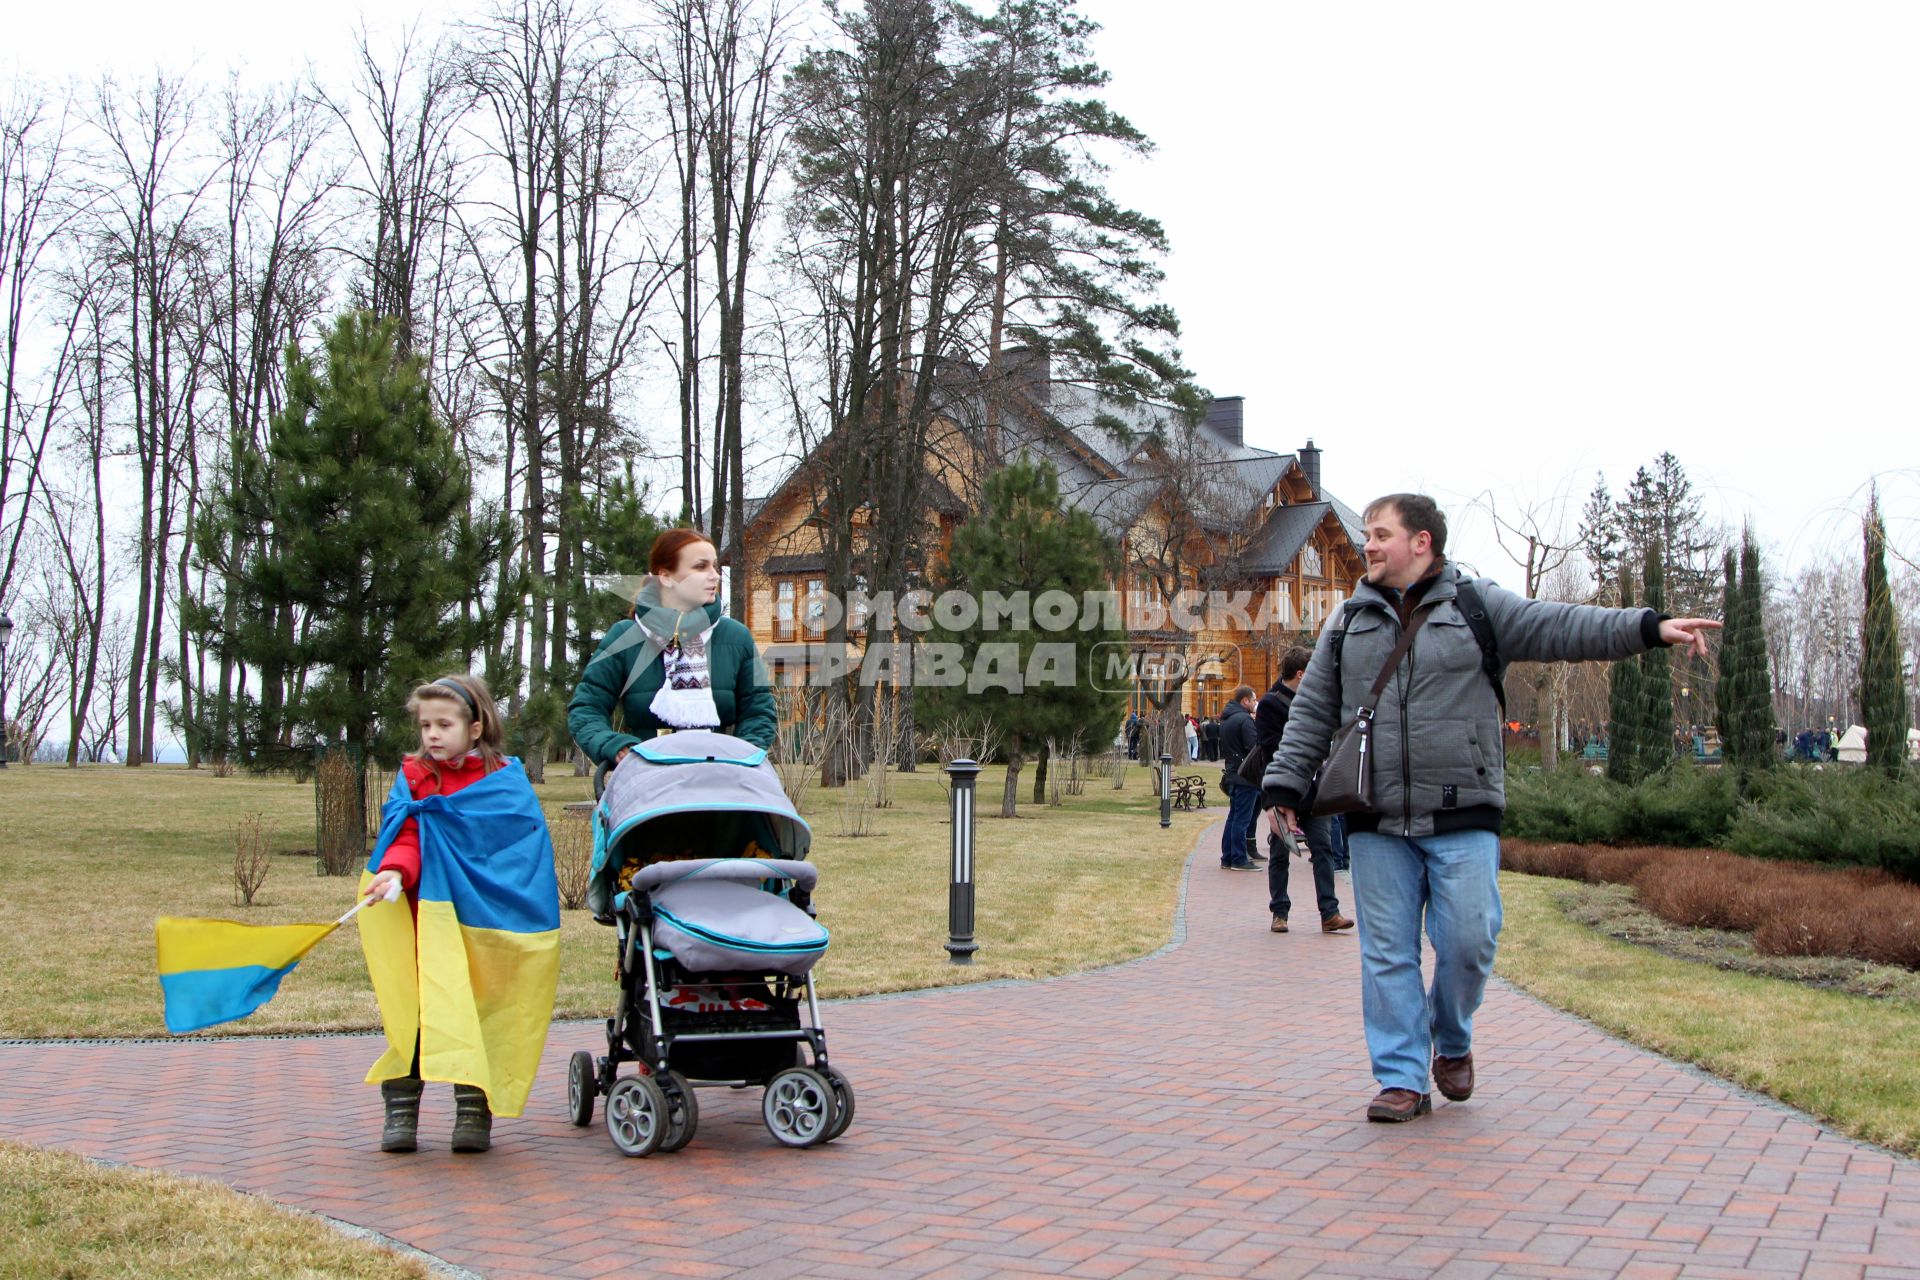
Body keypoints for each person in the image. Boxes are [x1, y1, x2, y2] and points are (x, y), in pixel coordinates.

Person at [1263, 494, 1718, 1123]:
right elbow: (1312, 711)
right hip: (1375, 817)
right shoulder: (1346, 621)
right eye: (1367, 534)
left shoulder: (1476, 604)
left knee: (1469, 942)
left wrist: (1648, 627)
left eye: (1380, 534)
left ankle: (1451, 1039)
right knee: (1387, 954)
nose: (1367, 545)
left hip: (1463, 809)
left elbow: (1562, 626)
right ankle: (1400, 1077)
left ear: (1421, 542)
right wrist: (1283, 788)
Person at [362, 675, 560, 1154]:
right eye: (425, 724)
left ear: (475, 728)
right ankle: (402, 1108)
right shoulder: (412, 776)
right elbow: (406, 834)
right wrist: (393, 872)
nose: (432, 734)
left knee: (476, 1006)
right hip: (423, 917)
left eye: (443, 724)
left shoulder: (503, 779)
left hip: (483, 920)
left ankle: (474, 1109)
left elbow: (517, 846)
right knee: (420, 1007)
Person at [568, 528, 777, 766]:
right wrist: (612, 745)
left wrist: (741, 759)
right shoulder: (624, 637)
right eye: (701, 567)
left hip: (720, 779)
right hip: (645, 777)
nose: (715, 575)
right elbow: (586, 708)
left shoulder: (736, 637)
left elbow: (759, 713)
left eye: (714, 566)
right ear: (666, 576)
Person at [1248, 646, 1353, 935]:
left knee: (1323, 849)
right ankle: (1279, 912)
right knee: (1281, 852)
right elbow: (1270, 748)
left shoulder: (1315, 701)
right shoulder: (1270, 703)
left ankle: (1329, 913)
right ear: (1301, 673)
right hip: (1283, 789)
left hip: (1314, 789)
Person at [1217, 686, 1262, 871]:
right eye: (1253, 700)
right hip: (1245, 776)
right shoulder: (1244, 720)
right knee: (1241, 819)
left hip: (1233, 773)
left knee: (1234, 817)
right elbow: (1254, 748)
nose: (1254, 703)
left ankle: (1228, 857)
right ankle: (1238, 858)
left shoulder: (1228, 719)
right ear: (1245, 701)